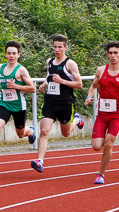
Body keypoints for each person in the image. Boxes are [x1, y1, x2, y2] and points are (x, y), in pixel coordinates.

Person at [84, 41, 119, 185]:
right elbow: (93, 86)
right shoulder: (100, 70)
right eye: (110, 53)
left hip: (117, 114)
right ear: (107, 54)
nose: (113, 56)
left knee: (108, 143)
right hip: (102, 114)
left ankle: (100, 174)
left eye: (116, 53)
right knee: (96, 146)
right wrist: (89, 96)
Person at [31, 34, 84, 173]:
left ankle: (77, 119)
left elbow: (79, 84)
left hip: (65, 103)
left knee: (65, 133)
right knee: (44, 131)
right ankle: (40, 161)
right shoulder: (49, 62)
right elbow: (49, 78)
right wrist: (44, 84)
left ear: (65, 47)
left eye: (60, 47)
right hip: (50, 102)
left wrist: (63, 81)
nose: (57, 50)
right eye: (55, 47)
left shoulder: (70, 64)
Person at [0, 41, 36, 170]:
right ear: (5, 55)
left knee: (20, 133)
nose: (11, 56)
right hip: (4, 103)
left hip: (18, 106)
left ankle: (31, 131)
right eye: (9, 53)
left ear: (18, 55)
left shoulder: (21, 70)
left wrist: (16, 86)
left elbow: (32, 88)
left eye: (14, 54)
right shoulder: (1, 67)